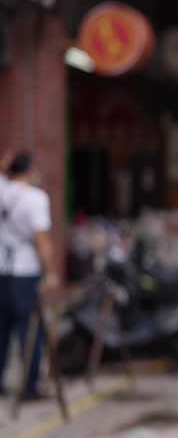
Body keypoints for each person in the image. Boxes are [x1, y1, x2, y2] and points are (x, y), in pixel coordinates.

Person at [0, 151, 61, 400]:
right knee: (30, 329)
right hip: (25, 271)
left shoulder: (2, 190)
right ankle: (30, 386)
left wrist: (7, 164)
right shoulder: (35, 198)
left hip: (1, 269)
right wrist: (50, 273)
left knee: (1, 329)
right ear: (30, 169)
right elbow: (42, 239)